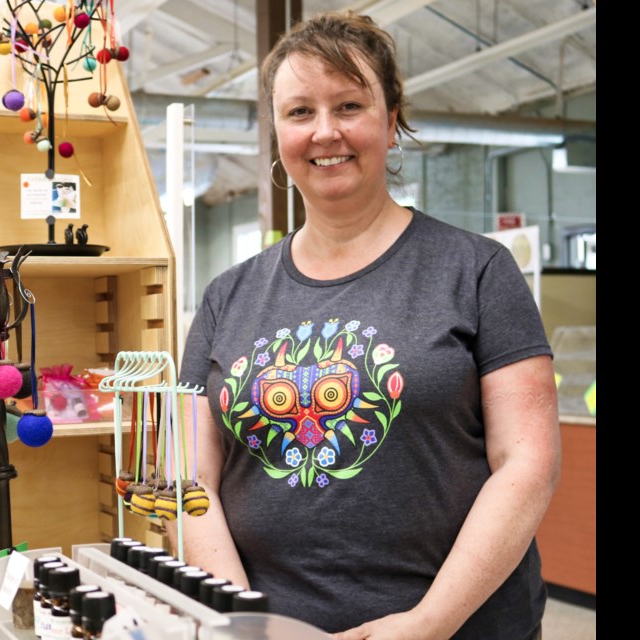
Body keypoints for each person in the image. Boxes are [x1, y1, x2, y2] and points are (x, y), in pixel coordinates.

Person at [173, 10, 560, 640]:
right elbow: (188, 480)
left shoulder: (478, 271)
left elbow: (528, 463)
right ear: (276, 130)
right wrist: (245, 621)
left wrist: (429, 622)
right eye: (299, 112)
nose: (326, 132)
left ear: (391, 115)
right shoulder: (226, 297)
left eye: (349, 105)